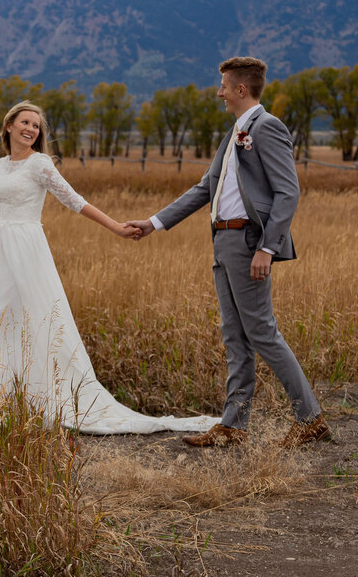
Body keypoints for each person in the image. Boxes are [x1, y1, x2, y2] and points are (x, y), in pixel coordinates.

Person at [0, 100, 218, 435]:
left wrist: (114, 226)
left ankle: (48, 392)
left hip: (28, 247)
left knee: (36, 319)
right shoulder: (0, 166)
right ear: (9, 125)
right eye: (25, 123)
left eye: (36, 126)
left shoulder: (40, 164)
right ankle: (0, 397)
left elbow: (74, 199)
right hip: (3, 251)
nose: (31, 129)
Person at [125, 57, 330, 448]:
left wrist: (267, 248)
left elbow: (289, 192)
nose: (218, 92)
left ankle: (311, 418)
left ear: (240, 89)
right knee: (235, 335)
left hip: (250, 242)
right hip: (223, 241)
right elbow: (205, 190)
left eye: (223, 86)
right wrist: (154, 223)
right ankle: (234, 426)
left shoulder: (267, 127)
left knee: (262, 331)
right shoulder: (234, 133)